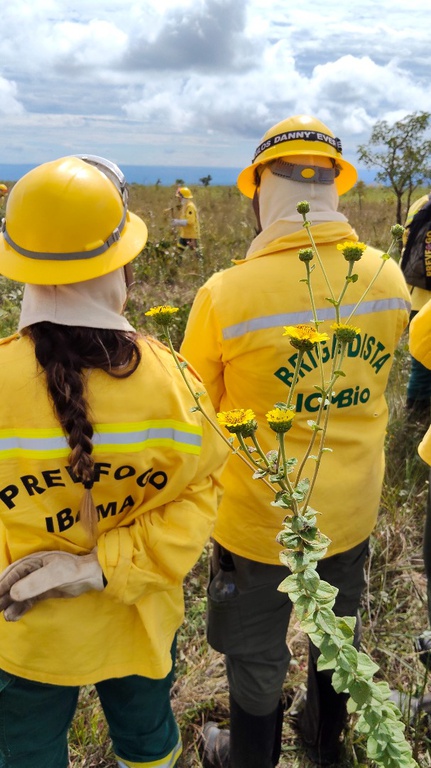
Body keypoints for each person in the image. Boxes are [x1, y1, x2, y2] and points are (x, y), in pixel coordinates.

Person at [180, 114, 411, 767]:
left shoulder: (225, 294)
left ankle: (248, 756)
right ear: (336, 187)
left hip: (257, 520)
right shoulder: (385, 276)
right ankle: (322, 742)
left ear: (259, 192)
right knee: (338, 632)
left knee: (255, 649)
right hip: (351, 510)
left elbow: (196, 412)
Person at [0, 154, 227, 768]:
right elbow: (201, 495)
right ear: (123, 262)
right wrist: (103, 567)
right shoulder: (173, 380)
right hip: (138, 620)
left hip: (28, 639)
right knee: (149, 744)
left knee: (24, 753)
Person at [401, 192, 431, 425]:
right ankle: (417, 420)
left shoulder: (421, 202)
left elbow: (405, 243)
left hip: (415, 295)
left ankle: (413, 417)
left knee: (420, 361)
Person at [170, 186, 201, 252]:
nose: (178, 199)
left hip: (191, 235)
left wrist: (177, 222)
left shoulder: (190, 206)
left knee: (196, 254)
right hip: (185, 234)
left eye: (179, 197)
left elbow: (191, 221)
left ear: (183, 197)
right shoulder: (185, 206)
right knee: (179, 252)